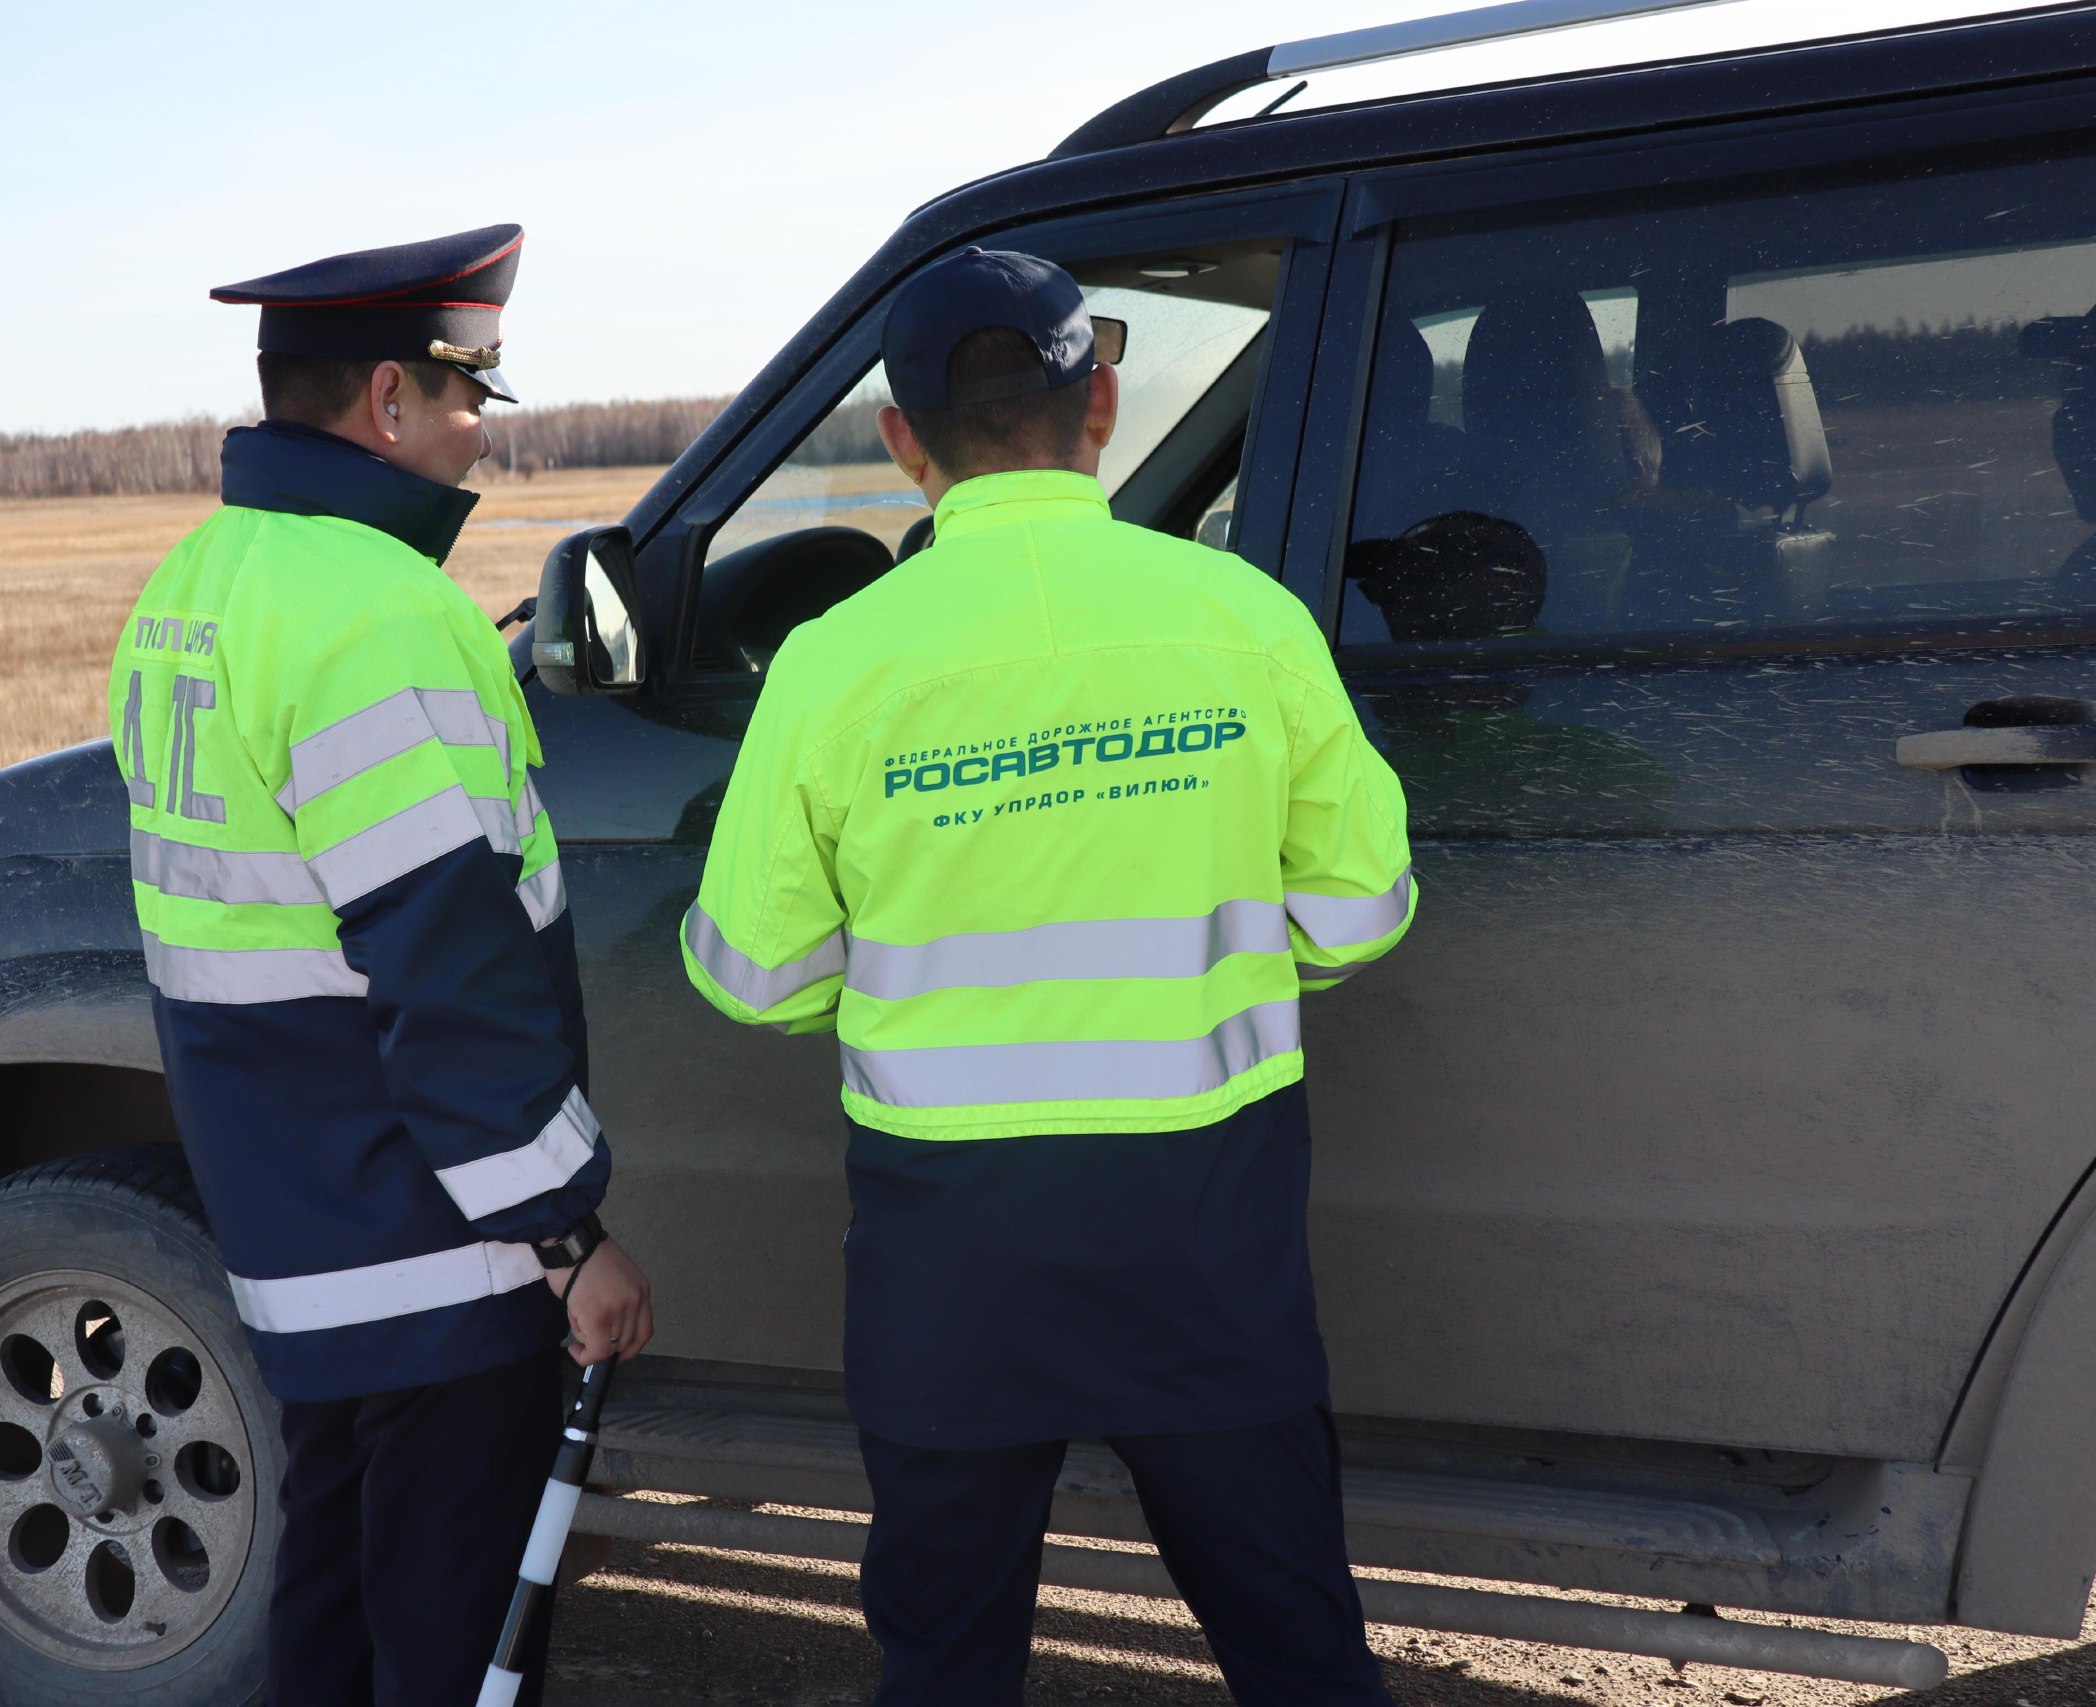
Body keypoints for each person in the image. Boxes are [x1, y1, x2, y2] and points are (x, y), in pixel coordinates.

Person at [679, 246, 1415, 1706]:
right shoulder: (1247, 621)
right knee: (1299, 1657)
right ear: (1104, 403)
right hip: (1208, 1255)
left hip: (952, 1273)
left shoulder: (834, 665)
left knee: (945, 1669)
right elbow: (1358, 914)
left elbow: (755, 975)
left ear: (901, 438)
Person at [109, 223, 652, 1706]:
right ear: (391, 404)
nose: (482, 436)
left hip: (301, 1234)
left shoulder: (196, 585)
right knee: (447, 1639)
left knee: (335, 1621)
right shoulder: (380, 619)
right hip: (431, 1242)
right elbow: (446, 968)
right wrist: (562, 1236)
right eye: (471, 397)